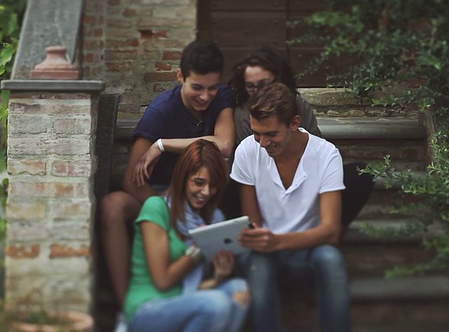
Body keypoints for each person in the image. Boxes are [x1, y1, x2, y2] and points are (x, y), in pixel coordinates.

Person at [100, 40, 235, 313]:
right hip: (160, 195)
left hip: (205, 192)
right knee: (112, 205)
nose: (206, 97)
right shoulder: (160, 111)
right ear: (180, 76)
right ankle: (127, 304)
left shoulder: (222, 97)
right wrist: (169, 211)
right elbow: (131, 181)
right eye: (197, 87)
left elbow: (224, 145)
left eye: (212, 88)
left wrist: (163, 144)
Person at [232, 83, 351, 332]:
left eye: (271, 134)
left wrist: (276, 241)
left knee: (331, 259)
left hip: (308, 250)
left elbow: (330, 231)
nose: (263, 143)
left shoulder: (326, 154)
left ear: (294, 123)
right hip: (264, 253)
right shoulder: (247, 151)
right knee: (258, 265)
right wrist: (263, 241)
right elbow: (252, 222)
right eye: (256, 133)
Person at [224, 46, 373, 231]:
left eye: (264, 85)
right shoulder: (242, 115)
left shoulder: (299, 106)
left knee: (359, 174)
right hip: (261, 186)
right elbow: (251, 164)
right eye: (250, 86)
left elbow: (315, 152)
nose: (256, 91)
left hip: (302, 183)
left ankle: (326, 232)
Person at [124, 139, 249, 332]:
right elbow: (163, 281)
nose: (206, 192)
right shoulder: (157, 208)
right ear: (183, 178)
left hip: (187, 300)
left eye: (213, 185)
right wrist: (199, 247)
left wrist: (219, 278)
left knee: (239, 290)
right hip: (149, 306)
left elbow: (194, 288)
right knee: (215, 304)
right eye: (199, 183)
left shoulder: (213, 218)